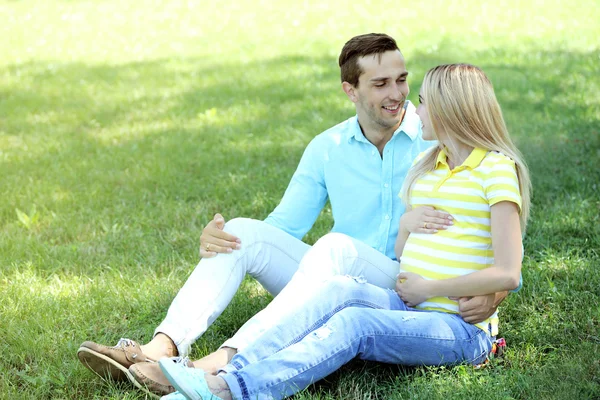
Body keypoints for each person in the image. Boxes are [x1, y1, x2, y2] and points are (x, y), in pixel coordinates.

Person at [77, 35, 505, 396]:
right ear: (350, 90)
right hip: (331, 276)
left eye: (402, 80)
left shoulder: (437, 140)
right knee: (246, 232)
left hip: (397, 281)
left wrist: (496, 293)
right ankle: (161, 347)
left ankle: (219, 363)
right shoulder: (328, 147)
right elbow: (283, 228)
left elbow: (490, 234)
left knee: (336, 248)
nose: (398, 95)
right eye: (380, 84)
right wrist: (221, 240)